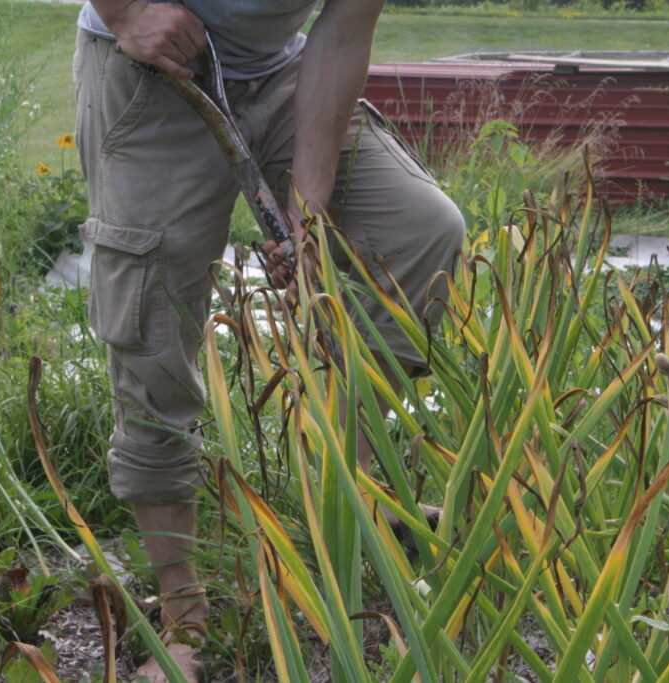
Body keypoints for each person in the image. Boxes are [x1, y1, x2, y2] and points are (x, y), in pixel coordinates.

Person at [72, 1, 465, 679]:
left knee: (417, 230)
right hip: (149, 73)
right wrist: (128, 10)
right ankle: (183, 611)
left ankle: (351, 493)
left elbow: (342, 32)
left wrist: (305, 211)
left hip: (281, 78)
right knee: (152, 328)